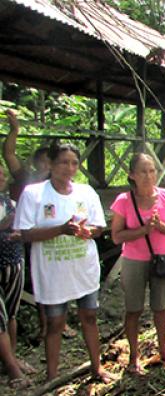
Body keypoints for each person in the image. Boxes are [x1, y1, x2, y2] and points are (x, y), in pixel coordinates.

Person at [14, 143, 112, 382]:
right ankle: (52, 376)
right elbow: (25, 233)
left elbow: (99, 227)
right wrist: (60, 230)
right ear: (51, 164)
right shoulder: (34, 194)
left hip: (82, 266)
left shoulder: (86, 192)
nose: (69, 168)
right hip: (52, 269)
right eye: (63, 162)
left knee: (89, 316)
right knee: (55, 322)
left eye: (74, 163)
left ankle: (96, 367)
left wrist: (86, 232)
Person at [2, 109, 70, 343]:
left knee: (61, 277)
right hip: (29, 236)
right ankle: (45, 325)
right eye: (41, 163)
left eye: (48, 163)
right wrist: (15, 130)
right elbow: (9, 153)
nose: (45, 167)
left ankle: (61, 323)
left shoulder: (60, 185)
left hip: (58, 237)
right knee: (41, 279)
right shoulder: (26, 180)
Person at [110, 153, 165, 374]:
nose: (149, 176)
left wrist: (160, 226)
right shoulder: (124, 201)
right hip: (133, 261)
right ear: (132, 175)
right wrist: (143, 231)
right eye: (143, 171)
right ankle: (133, 356)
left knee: (161, 307)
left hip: (162, 259)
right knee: (134, 309)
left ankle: (163, 350)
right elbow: (117, 236)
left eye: (152, 171)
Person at [0, 166, 32, 388]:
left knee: (11, 314)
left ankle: (12, 357)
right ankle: (13, 371)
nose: (2, 178)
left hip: (14, 263)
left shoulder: (9, 203)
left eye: (2, 174)